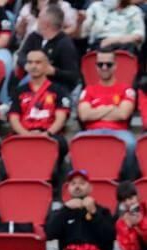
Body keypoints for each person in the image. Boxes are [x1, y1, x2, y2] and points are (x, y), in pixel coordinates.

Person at [77, 50, 137, 179]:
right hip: (92, 131)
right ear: (96, 67)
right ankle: (82, 182)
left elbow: (123, 114)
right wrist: (111, 107)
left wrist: (96, 111)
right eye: (100, 64)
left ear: (115, 66)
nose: (104, 68)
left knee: (131, 144)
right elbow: (84, 115)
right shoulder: (88, 90)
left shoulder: (126, 89)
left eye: (108, 64)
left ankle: (127, 182)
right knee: (77, 140)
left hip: (119, 132)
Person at [46, 170, 116, 250]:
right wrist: (65, 209)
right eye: (73, 184)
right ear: (68, 188)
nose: (77, 187)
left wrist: (94, 213)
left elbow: (109, 236)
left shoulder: (102, 211)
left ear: (90, 188)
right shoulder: (61, 212)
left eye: (82, 183)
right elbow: (50, 234)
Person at [8, 48, 72, 160]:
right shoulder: (19, 91)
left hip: (49, 134)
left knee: (60, 145)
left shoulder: (59, 90)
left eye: (38, 62)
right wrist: (26, 134)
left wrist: (47, 134)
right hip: (24, 133)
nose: (33, 66)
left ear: (47, 65)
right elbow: (14, 118)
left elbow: (61, 119)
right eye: (30, 62)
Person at [14, 5, 80, 94]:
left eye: (39, 17)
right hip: (31, 80)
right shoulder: (34, 37)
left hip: (55, 87)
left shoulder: (65, 44)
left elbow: (73, 76)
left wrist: (53, 71)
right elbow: (21, 55)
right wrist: (28, 65)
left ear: (46, 24)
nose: (37, 20)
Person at [115, 182, 147, 250]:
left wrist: (140, 222)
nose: (128, 203)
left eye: (130, 198)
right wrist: (128, 227)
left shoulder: (145, 208)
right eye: (124, 201)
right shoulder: (121, 223)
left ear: (137, 196)